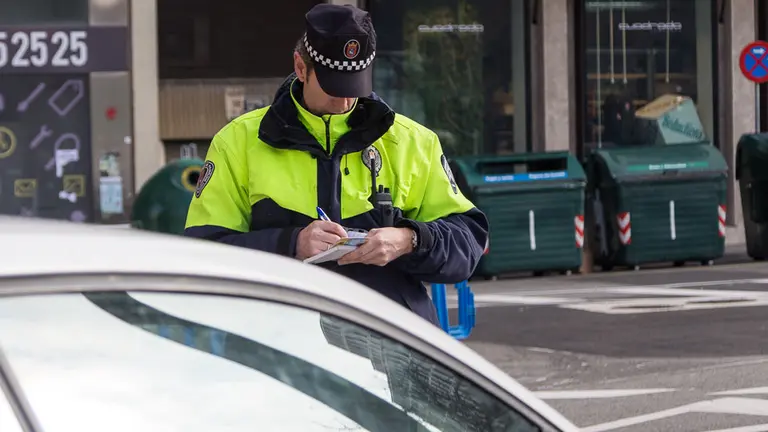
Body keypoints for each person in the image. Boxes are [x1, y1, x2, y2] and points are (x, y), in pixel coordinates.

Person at [184, 3, 489, 325]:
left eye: (355, 86)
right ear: (301, 68)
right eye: (334, 87)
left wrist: (410, 240)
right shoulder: (238, 142)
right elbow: (205, 254)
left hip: (394, 345)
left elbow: (466, 245)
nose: (345, 101)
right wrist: (291, 244)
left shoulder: (413, 141)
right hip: (280, 347)